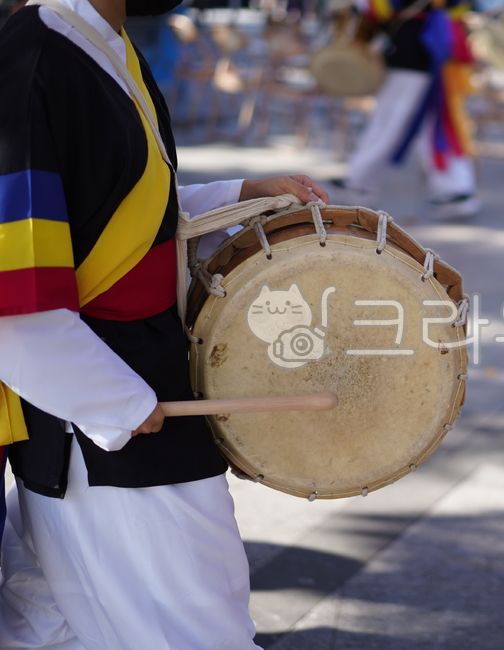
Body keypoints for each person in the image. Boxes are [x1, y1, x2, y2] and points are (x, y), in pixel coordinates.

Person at [0, 0, 328, 646]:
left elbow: (103, 203)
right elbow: (14, 303)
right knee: (194, 629)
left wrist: (236, 195)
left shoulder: (99, 42)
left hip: (137, 384)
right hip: (95, 422)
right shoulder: (30, 60)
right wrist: (118, 403)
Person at [333, 0, 481, 219]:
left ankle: (358, 182)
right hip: (429, 50)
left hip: (416, 52)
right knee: (432, 124)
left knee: (394, 120)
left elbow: (381, 7)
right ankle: (457, 190)